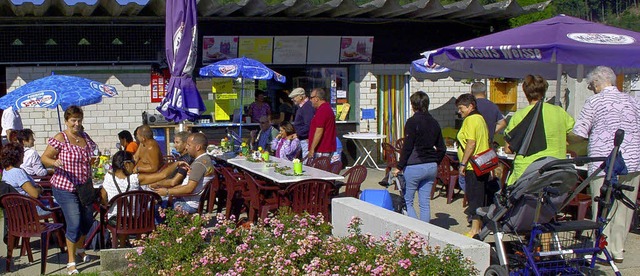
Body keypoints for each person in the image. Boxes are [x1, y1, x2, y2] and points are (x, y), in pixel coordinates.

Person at [569, 66, 640, 263]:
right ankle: (617, 249)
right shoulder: (632, 100)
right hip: (633, 160)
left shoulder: (594, 101)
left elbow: (580, 132)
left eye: (591, 84)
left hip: (605, 161)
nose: (591, 88)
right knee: (624, 207)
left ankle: (601, 248)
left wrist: (565, 140)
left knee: (602, 205)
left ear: (598, 83)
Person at [41, 105, 96, 275]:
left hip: (84, 186)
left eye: (79, 120)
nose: (76, 124)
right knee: (74, 222)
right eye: (73, 120)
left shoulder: (84, 137)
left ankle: (79, 249)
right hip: (65, 187)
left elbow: (92, 153)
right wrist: (54, 162)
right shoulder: (61, 138)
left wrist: (92, 160)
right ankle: (71, 261)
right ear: (66, 121)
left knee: (87, 221)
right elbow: (44, 158)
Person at [99, 150, 187, 246]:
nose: (135, 165)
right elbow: (163, 175)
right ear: (127, 164)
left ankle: (123, 244)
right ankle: (138, 244)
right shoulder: (135, 179)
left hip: (116, 220)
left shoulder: (108, 177)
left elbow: (103, 198)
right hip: (137, 220)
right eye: (133, 162)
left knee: (121, 217)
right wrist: (177, 163)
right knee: (144, 211)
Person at [504, 75, 574, 185]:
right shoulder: (559, 112)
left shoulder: (519, 116)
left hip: (526, 173)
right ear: (544, 91)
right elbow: (574, 135)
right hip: (555, 169)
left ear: (525, 92)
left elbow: (508, 149)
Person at [391, 91, 445, 223]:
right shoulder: (434, 122)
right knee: (424, 203)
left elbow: (407, 147)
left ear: (413, 105)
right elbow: (442, 148)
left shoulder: (412, 122)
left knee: (408, 201)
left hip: (415, 164)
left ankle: (416, 232)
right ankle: (425, 231)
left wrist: (399, 166)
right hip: (431, 165)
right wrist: (435, 162)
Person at [455, 93, 491, 237]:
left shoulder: (470, 120)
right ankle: (479, 226)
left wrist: (463, 163)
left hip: (472, 165)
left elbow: (471, 143)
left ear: (471, 106)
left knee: (474, 198)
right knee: (480, 196)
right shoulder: (480, 119)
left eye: (461, 108)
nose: (459, 111)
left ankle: (475, 229)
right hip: (482, 163)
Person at [153, 133, 215, 214]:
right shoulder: (204, 160)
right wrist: (166, 191)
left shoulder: (199, 164)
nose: (186, 147)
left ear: (198, 147)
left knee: (153, 207)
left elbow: (189, 188)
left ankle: (156, 226)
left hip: (188, 204)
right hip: (187, 199)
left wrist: (167, 192)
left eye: (189, 145)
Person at [1, 142, 52, 215]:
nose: (23, 156)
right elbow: (34, 194)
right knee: (65, 204)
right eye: (22, 154)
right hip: (33, 208)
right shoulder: (17, 172)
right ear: (17, 156)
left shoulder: (6, 171)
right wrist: (40, 189)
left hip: (19, 209)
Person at [308, 88, 336, 160]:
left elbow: (319, 131)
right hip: (323, 148)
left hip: (322, 149)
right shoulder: (324, 108)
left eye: (311, 98)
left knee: (319, 171)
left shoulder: (323, 110)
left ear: (316, 98)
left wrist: (312, 148)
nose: (310, 100)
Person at [290, 87, 315, 159]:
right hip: (303, 138)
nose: (292, 99)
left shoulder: (307, 107)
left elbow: (309, 125)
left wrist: (299, 133)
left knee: (307, 163)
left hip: (306, 139)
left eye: (293, 97)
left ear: (300, 97)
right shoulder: (304, 107)